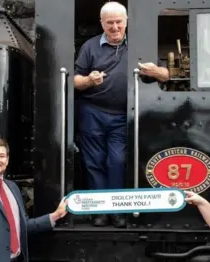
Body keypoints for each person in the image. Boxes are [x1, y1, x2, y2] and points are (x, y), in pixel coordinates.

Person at [73, 1, 169, 228]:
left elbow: (166, 75)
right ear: (102, 24)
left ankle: (117, 210)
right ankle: (99, 211)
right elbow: (76, 81)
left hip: (123, 115)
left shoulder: (140, 46)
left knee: (117, 161)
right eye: (110, 23)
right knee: (93, 162)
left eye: (118, 22)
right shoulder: (89, 47)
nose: (115, 27)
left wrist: (155, 71)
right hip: (92, 112)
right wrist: (89, 80)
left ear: (126, 22)